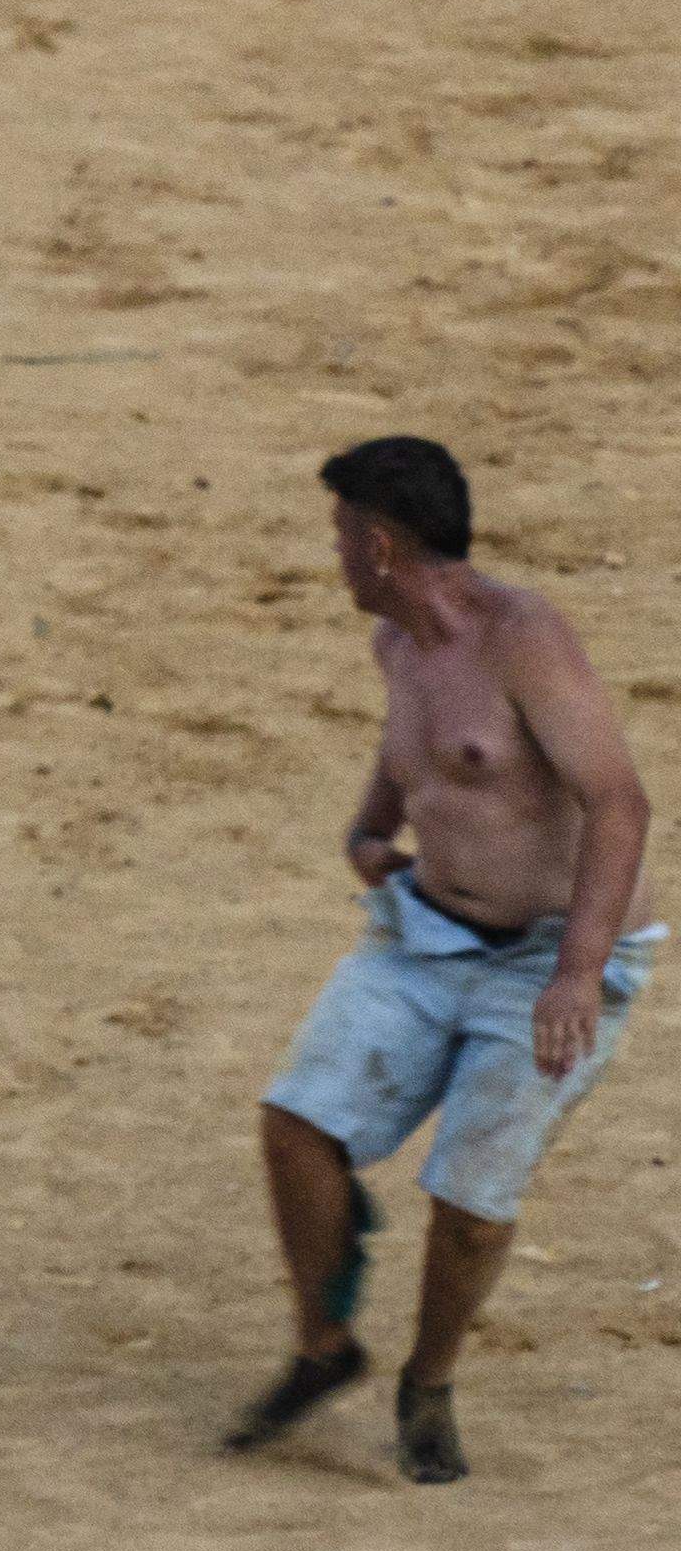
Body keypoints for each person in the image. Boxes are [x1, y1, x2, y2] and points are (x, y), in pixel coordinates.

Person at [230, 436, 656, 1490]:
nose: (331, 557)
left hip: (549, 960)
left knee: (471, 1202)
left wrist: (576, 975)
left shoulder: (524, 638)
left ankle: (429, 1382)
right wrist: (374, 826)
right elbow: (412, 745)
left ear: (378, 544)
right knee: (297, 1126)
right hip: (424, 932)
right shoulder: (397, 640)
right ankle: (326, 1348)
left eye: (339, 536)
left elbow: (619, 803)